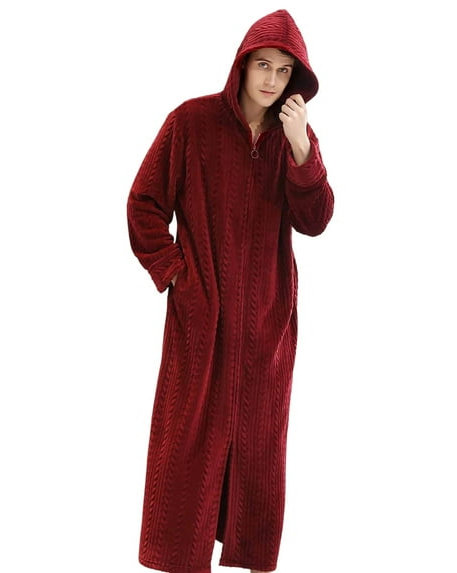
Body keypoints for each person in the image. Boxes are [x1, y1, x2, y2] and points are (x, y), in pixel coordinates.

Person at [127, 9, 334, 573]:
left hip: (267, 324)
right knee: (186, 444)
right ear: (242, 65)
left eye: (284, 70)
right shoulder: (190, 123)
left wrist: (301, 148)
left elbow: (315, 219)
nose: (271, 79)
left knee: (258, 449)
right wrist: (177, 275)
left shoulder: (295, 139)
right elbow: (144, 204)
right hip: (200, 320)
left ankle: (245, 554)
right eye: (263, 65)